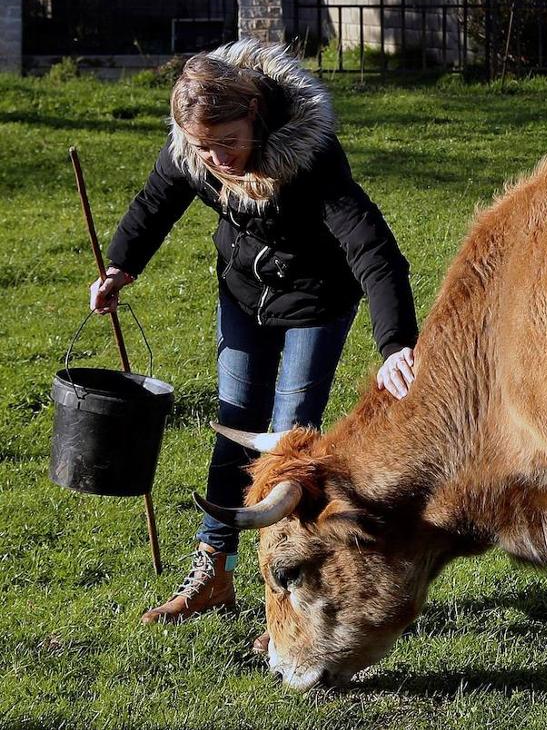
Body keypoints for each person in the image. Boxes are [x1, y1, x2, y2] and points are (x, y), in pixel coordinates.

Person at [88, 40, 420, 649]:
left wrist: (396, 343)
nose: (220, 160)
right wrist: (121, 266)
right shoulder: (196, 151)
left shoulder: (310, 157)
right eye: (206, 148)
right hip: (243, 297)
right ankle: (214, 570)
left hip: (316, 303)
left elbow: (372, 246)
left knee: (288, 439)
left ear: (257, 113)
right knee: (234, 425)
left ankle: (285, 595)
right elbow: (155, 202)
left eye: (230, 143)